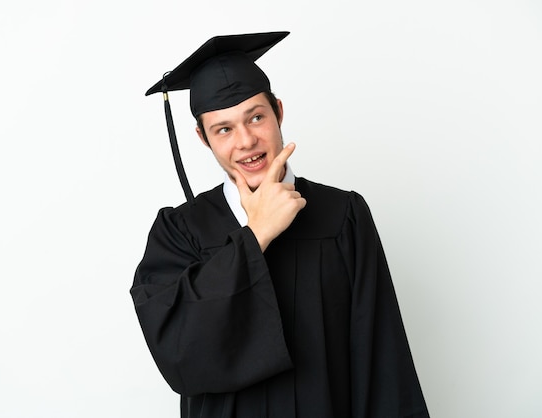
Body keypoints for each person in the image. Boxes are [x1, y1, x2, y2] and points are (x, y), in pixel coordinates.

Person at [130, 31, 429, 418]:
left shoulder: (343, 215)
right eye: (224, 129)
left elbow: (382, 359)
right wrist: (257, 234)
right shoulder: (180, 232)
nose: (246, 141)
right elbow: (179, 351)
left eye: (256, 117)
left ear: (279, 112)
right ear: (203, 138)